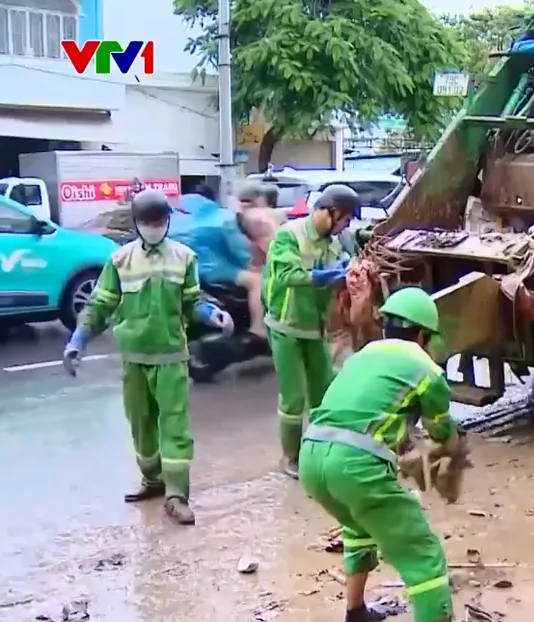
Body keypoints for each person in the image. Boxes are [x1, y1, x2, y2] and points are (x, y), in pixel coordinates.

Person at [62, 189, 234, 526]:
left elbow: (192, 302)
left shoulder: (184, 257)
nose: (154, 227)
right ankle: (153, 481)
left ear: (167, 221)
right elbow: (99, 305)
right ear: (137, 224)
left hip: (170, 355)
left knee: (174, 426)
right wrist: (77, 340)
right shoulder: (120, 260)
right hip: (134, 357)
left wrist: (213, 314)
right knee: (141, 424)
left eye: (159, 221)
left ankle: (177, 495)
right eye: (147, 222)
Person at [299, 286, 460, 622]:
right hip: (354, 464)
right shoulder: (425, 368)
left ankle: (355, 614)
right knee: (423, 553)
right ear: (423, 334)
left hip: (311, 456)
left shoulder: (363, 355)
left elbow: (368, 411)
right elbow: (441, 431)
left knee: (358, 526)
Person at [263, 183, 359, 478]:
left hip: (315, 326)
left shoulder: (334, 242)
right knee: (293, 397)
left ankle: (321, 449)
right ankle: (289, 457)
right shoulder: (289, 235)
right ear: (329, 211)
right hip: (286, 325)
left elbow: (346, 264)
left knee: (325, 391)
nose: (346, 226)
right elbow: (288, 276)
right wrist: (328, 275)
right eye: (344, 220)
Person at [174, 193, 267, 338]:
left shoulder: (179, 219)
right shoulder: (224, 219)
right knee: (257, 281)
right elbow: (241, 253)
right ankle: (257, 329)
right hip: (211, 268)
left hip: (184, 267)